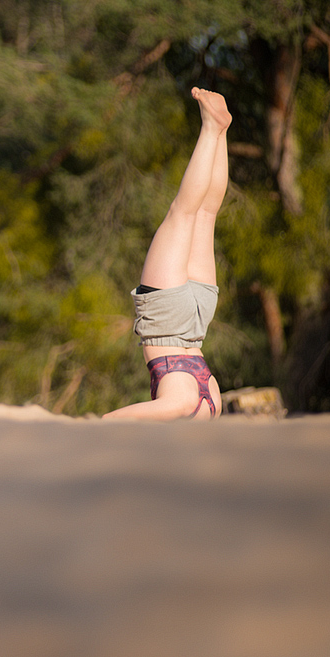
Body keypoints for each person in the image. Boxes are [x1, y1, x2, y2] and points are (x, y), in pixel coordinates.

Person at [103, 87, 230, 421]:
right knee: (184, 213)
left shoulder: (205, 406)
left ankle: (220, 134)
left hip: (199, 321)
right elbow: (107, 423)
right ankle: (211, 130)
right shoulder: (182, 404)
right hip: (170, 323)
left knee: (204, 215)